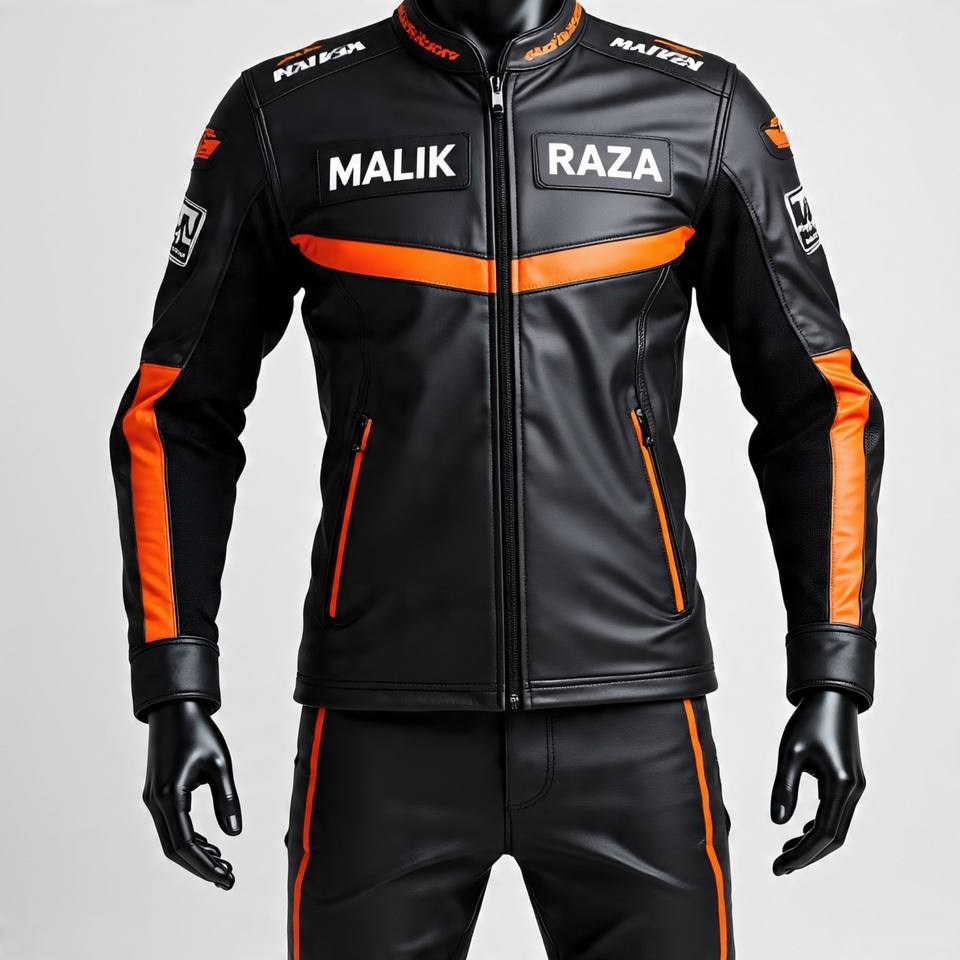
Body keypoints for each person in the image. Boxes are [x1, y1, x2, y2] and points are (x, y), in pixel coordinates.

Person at [110, 1, 883, 956]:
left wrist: (833, 670)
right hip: (383, 726)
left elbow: (820, 403)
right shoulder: (289, 114)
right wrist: (176, 682)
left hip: (634, 718)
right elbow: (173, 413)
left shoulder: (697, 109)